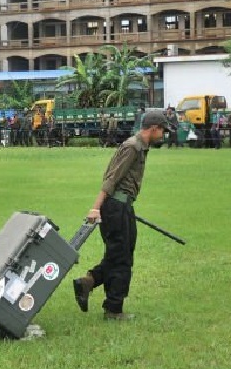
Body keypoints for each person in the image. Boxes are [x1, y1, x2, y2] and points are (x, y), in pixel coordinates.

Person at [72, 111, 171, 321]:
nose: (163, 134)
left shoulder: (141, 147)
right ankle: (113, 309)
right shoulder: (132, 147)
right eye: (162, 130)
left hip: (122, 206)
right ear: (153, 128)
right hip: (115, 207)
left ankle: (88, 282)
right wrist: (95, 208)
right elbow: (111, 179)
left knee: (119, 254)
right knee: (122, 259)